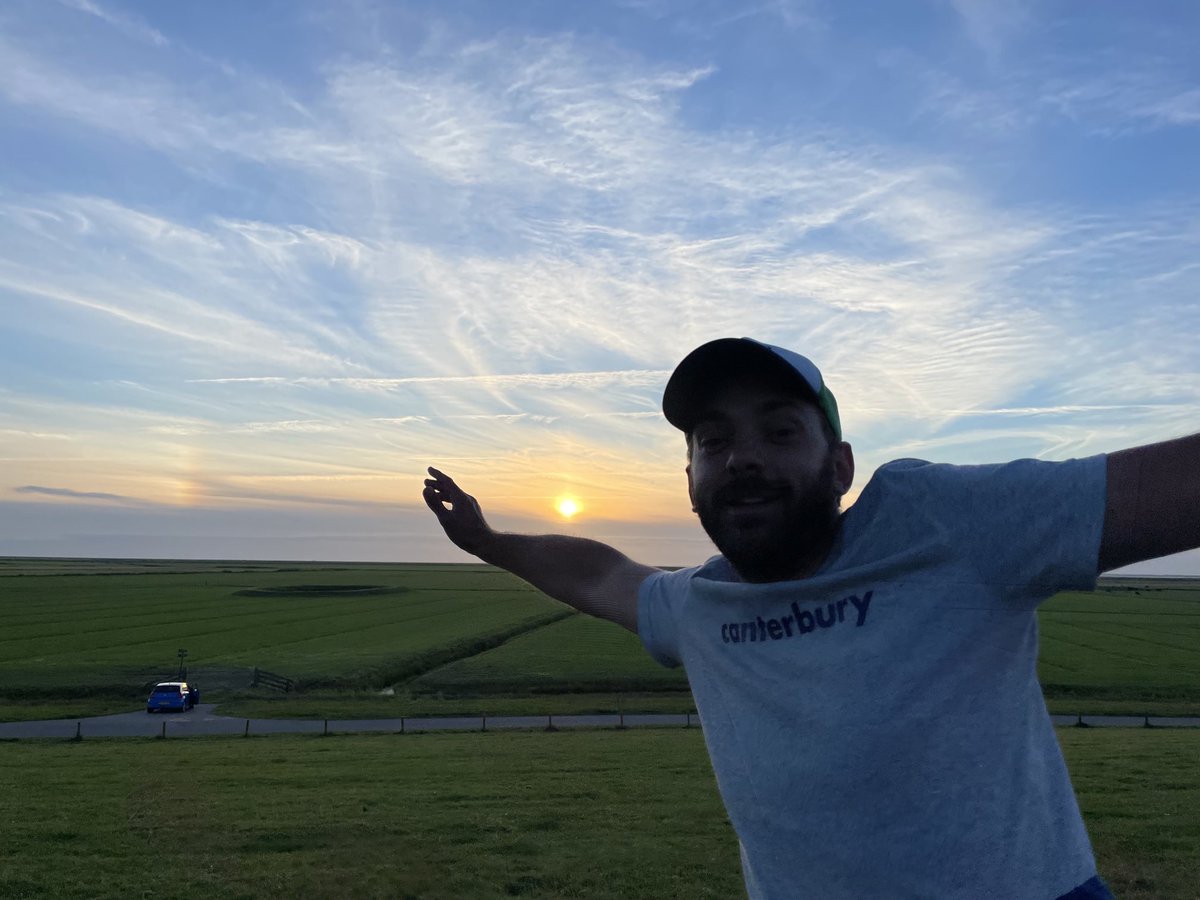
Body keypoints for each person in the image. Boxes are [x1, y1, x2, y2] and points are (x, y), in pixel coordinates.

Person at [423, 336, 1199, 900]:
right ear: (689, 479)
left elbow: (1166, 491)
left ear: (840, 465)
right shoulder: (698, 607)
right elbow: (598, 572)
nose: (742, 458)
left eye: (779, 430)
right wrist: (489, 541)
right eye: (713, 442)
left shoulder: (948, 524)